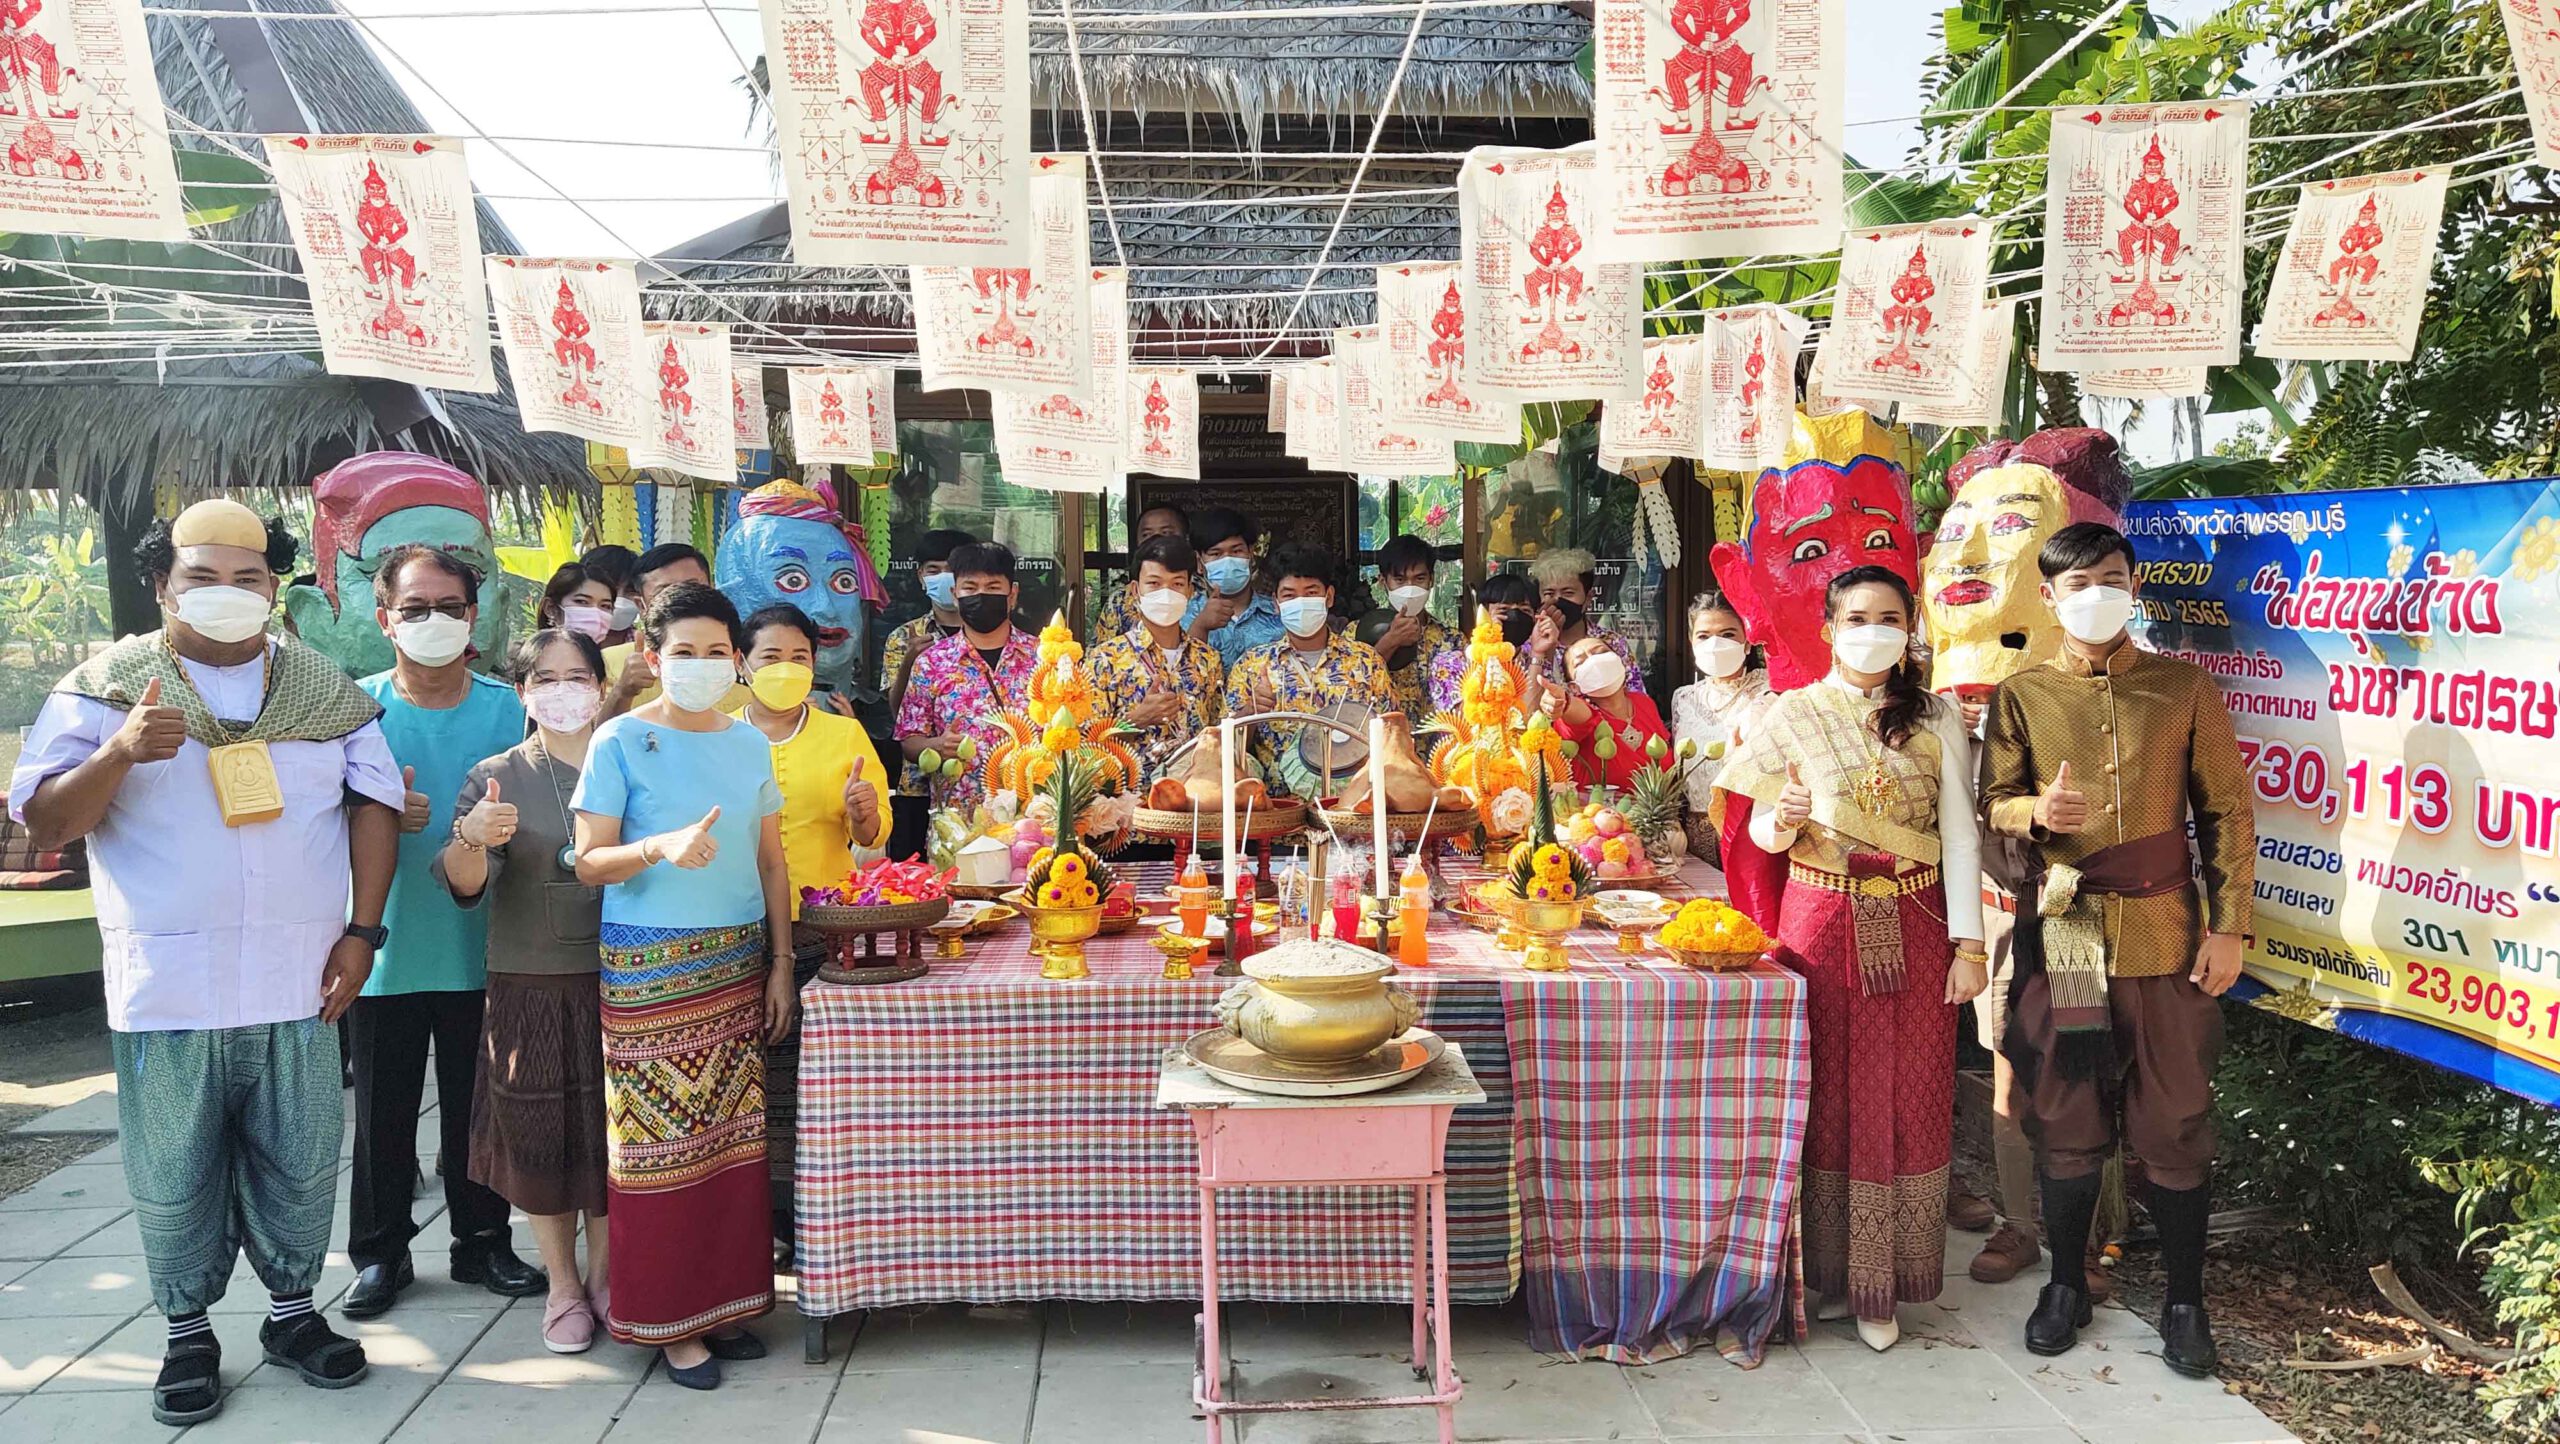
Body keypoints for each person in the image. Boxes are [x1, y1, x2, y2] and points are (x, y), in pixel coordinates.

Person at [9, 499, 401, 1425]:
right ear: (162, 585)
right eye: (204, 577)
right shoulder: (103, 690)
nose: (228, 592)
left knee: (300, 1159)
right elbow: (49, 820)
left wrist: (363, 932)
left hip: (299, 977)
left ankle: (293, 1316)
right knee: (173, 1170)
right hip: (169, 986)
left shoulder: (323, 690)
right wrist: (118, 752)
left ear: (274, 586)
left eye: (248, 578)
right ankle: (187, 1333)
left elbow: (375, 806)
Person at [1980, 521, 2253, 1377]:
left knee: (2176, 1118)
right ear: (2050, 596)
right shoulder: (2022, 694)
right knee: (2067, 1115)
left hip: (2168, 935)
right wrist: (2034, 813)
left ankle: (2184, 1304)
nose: (2095, 593)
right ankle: (2065, 1285)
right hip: (2068, 930)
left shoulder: (2183, 688)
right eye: (2077, 582)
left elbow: (2226, 812)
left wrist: (2230, 926)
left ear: (2133, 587)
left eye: (2110, 577)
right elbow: (1992, 803)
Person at [1710, 565, 1986, 1353]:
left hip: (1918, 921)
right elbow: (1759, 834)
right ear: (1829, 629)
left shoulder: (1935, 715)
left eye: (1890, 618)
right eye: (1857, 617)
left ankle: (1885, 1284)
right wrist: (1784, 817)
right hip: (1820, 927)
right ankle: (1825, 1277)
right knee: (1822, 1093)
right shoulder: (1792, 712)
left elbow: (1960, 833)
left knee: (1909, 1093)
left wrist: (1969, 946)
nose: (1874, 631)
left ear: (1911, 628)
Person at [570, 581, 793, 1387]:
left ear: (736, 660)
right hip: (651, 966)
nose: (701, 665)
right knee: (662, 1147)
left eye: (716, 652)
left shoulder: (749, 743)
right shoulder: (620, 740)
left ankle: (726, 1304)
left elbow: (771, 861)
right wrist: (656, 847)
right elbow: (587, 860)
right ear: (652, 656)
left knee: (734, 1142)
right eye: (684, 651)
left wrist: (780, 964)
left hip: (736, 960)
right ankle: (671, 1321)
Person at [344, 546, 547, 1320]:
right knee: (381, 1113)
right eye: (415, 608)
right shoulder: (351, 710)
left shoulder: (509, 709)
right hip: (384, 946)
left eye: (450, 607)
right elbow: (305, 818)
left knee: (482, 1105)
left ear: (475, 616)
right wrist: (367, 812)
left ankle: (484, 1240)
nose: (433, 621)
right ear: (384, 617)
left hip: (488, 948)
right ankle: (380, 1253)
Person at [432, 629, 611, 1354]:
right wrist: (472, 836)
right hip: (531, 984)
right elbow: (465, 884)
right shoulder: (497, 775)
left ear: (602, 686)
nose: (564, 691)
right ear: (523, 692)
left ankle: (607, 1276)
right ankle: (563, 1284)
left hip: (627, 977)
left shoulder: (631, 760)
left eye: (578, 676)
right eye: (547, 678)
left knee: (615, 1136)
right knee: (541, 1140)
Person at [733, 602, 889, 1248]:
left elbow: (873, 841)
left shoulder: (842, 735)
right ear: (742, 662)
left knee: (807, 1081)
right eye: (771, 656)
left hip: (821, 933)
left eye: (799, 656)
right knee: (746, 1080)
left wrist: (862, 812)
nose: (786, 668)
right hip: (733, 931)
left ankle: (808, 1218)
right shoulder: (716, 735)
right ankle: (751, 1218)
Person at [894, 541, 1040, 818]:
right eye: (970, 588)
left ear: (1012, 594)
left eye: (993, 588)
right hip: (959, 823)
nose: (981, 596)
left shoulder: (1044, 657)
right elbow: (909, 740)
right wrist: (937, 745)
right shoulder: (931, 663)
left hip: (1034, 820)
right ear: (954, 594)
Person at [1224, 542, 1395, 778]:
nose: (1301, 602)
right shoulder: (1251, 666)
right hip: (1276, 798)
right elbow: (1227, 752)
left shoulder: (1366, 662)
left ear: (1329, 597)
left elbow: (1391, 736)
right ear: (1276, 604)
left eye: (1311, 593)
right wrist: (1251, 711)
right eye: (1289, 595)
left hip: (1353, 796)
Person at [1085, 533, 1225, 784]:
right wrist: (1135, 720)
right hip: (1129, 797)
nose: (1166, 594)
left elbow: (1219, 736)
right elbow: (1084, 747)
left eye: (1177, 584)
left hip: (1195, 795)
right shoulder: (1105, 660)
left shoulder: (1208, 659)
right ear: (1135, 590)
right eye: (1154, 583)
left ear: (1190, 591)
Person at [880, 529, 974, 858]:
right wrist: (910, 661)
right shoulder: (904, 636)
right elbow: (897, 714)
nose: (943, 577)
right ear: (921, 576)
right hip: (918, 784)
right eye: (934, 570)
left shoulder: (987, 633)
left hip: (975, 784)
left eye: (952, 569)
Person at [1669, 591, 1770, 857]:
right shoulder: (1684, 698)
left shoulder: (1770, 692)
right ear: (1691, 642)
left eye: (1728, 634)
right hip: (1692, 838)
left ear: (1747, 641)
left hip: (1749, 834)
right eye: (1704, 636)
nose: (1715, 644)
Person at [600, 544, 748, 716]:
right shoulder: (608, 663)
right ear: (641, 605)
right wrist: (622, 692)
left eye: (692, 589)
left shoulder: (745, 663)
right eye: (666, 592)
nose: (682, 601)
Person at [1536, 634, 1671, 792]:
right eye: (1580, 662)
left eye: (1600, 652)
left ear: (1620, 662)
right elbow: (1577, 713)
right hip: (1600, 808)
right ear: (1574, 687)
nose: (1594, 662)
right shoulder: (1584, 714)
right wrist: (1562, 702)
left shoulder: (1644, 703)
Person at [1523, 548, 1648, 698]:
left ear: (1588, 598)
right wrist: (1542, 652)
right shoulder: (1528, 647)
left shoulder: (1611, 643)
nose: (1557, 600)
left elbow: (1637, 698)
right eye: (1549, 593)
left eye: (1568, 593)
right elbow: (1524, 706)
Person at [1367, 534, 1462, 726]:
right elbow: (1352, 687)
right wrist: (1391, 641)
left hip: (1440, 743)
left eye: (1419, 578)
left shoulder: (1453, 640)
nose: (1410, 588)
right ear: (1384, 581)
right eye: (1399, 579)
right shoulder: (1355, 634)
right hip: (1385, 742)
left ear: (1431, 580)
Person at [1429, 572, 1537, 714]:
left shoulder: (1538, 659)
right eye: (1503, 610)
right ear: (1483, 613)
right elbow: (1464, 718)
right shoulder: (1450, 664)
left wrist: (1539, 655)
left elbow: (1535, 715)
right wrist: (1490, 650)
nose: (1514, 617)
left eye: (1525, 610)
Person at [1184, 506, 1280, 666]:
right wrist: (1200, 627)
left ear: (1251, 554)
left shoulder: (1280, 614)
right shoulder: (1181, 616)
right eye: (1216, 554)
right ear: (1199, 562)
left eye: (1236, 551)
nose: (1227, 560)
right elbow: (1178, 673)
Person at [1092, 502, 1190, 642]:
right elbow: (1100, 649)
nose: (1156, 540)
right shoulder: (1119, 601)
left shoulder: (1206, 594)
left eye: (1166, 533)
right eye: (1147, 534)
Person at [538, 563, 618, 642]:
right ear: (550, 608)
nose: (595, 613)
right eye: (582, 601)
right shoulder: (535, 650)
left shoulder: (615, 650)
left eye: (605, 606)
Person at [579, 544, 641, 644]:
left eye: (630, 591)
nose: (619, 599)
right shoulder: (559, 646)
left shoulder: (652, 648)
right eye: (610, 589)